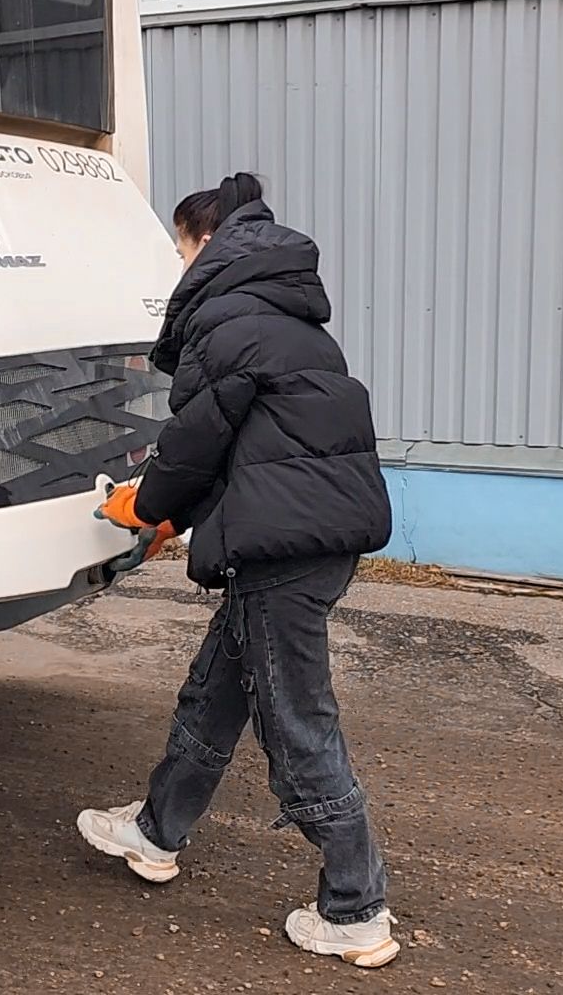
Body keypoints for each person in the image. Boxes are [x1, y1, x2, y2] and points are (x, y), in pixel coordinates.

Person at [77, 173, 398, 967]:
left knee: (295, 721)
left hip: (283, 550)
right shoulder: (289, 318)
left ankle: (356, 907)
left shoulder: (228, 319)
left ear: (205, 244)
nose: (176, 264)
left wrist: (145, 505)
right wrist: (174, 513)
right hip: (306, 537)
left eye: (180, 247)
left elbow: (196, 440)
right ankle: (156, 833)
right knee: (218, 690)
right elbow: (260, 446)